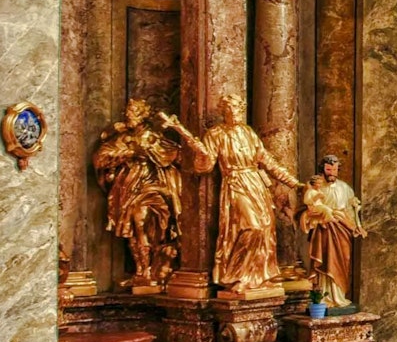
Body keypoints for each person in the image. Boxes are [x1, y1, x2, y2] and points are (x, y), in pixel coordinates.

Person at [160, 95, 302, 295]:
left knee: (265, 228)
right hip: (235, 183)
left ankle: (257, 277)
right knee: (252, 227)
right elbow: (205, 166)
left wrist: (294, 183)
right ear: (223, 111)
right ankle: (239, 275)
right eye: (230, 109)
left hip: (255, 184)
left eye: (237, 108)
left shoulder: (248, 132)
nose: (234, 112)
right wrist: (200, 152)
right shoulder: (216, 134)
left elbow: (268, 162)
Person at [94, 98, 182, 288]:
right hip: (128, 187)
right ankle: (141, 271)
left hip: (152, 185)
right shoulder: (124, 137)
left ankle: (151, 269)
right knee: (132, 230)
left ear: (143, 115)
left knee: (140, 219)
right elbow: (101, 157)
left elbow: (170, 155)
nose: (128, 115)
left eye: (133, 111)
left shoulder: (152, 136)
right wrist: (128, 153)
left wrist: (148, 151)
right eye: (128, 111)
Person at [298, 155, 366, 307]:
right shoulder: (315, 188)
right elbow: (305, 210)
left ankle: (339, 296)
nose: (332, 173)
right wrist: (317, 216)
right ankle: (323, 297)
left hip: (342, 230)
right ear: (322, 169)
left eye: (335, 170)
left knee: (342, 261)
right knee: (325, 260)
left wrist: (356, 226)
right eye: (329, 169)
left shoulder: (345, 188)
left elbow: (351, 211)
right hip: (324, 230)